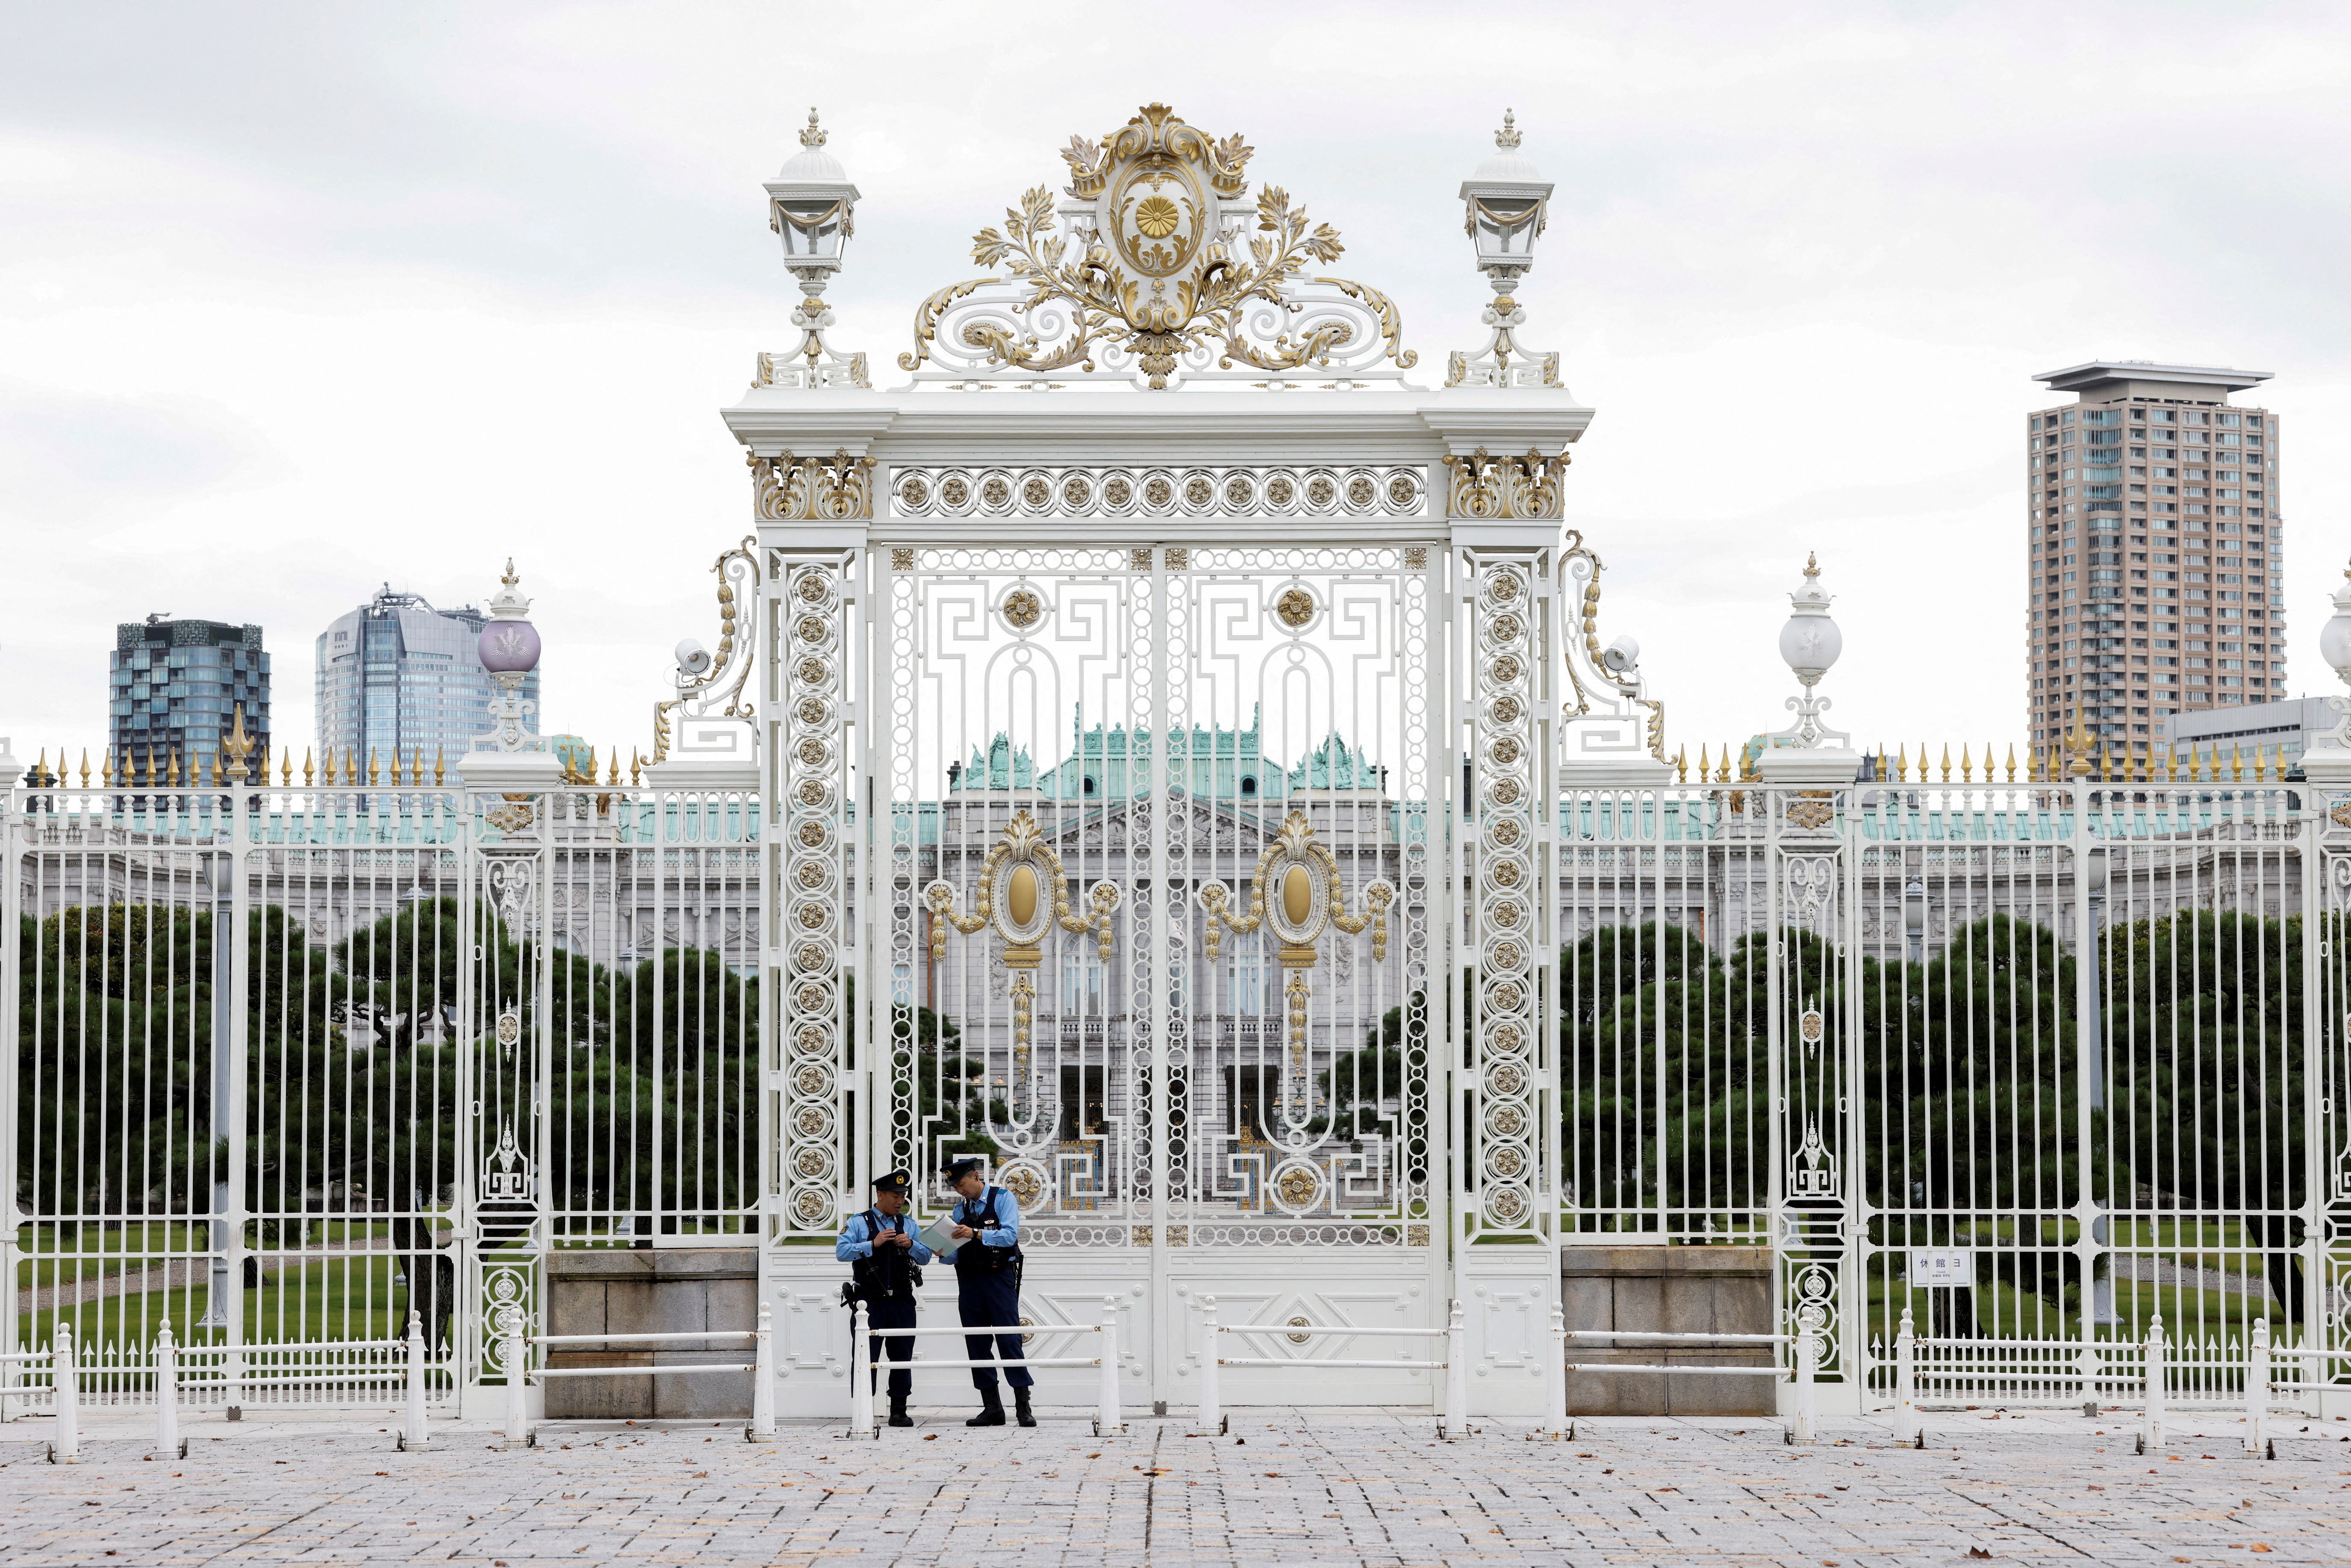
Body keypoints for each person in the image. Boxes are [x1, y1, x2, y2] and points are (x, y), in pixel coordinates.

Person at [835, 1170, 933, 1428]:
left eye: (903, 1195)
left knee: (902, 1356)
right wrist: (873, 1243)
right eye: (895, 1195)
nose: (900, 1200)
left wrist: (911, 1244)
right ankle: (863, 1410)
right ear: (880, 1195)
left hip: (902, 1301)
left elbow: (926, 1256)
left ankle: (899, 1410)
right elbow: (842, 1252)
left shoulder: (908, 1224)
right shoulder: (859, 1223)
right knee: (866, 1356)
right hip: (869, 1302)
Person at [943, 1155, 1033, 1427]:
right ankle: (992, 1407)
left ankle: (1023, 1407)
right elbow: (955, 1254)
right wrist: (942, 1250)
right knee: (977, 1342)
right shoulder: (960, 1212)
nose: (961, 1191)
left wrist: (977, 1234)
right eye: (956, 1187)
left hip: (998, 1278)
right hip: (970, 1282)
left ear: (976, 1176)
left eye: (962, 1184)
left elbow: (1009, 1236)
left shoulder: (1003, 1199)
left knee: (1009, 1340)